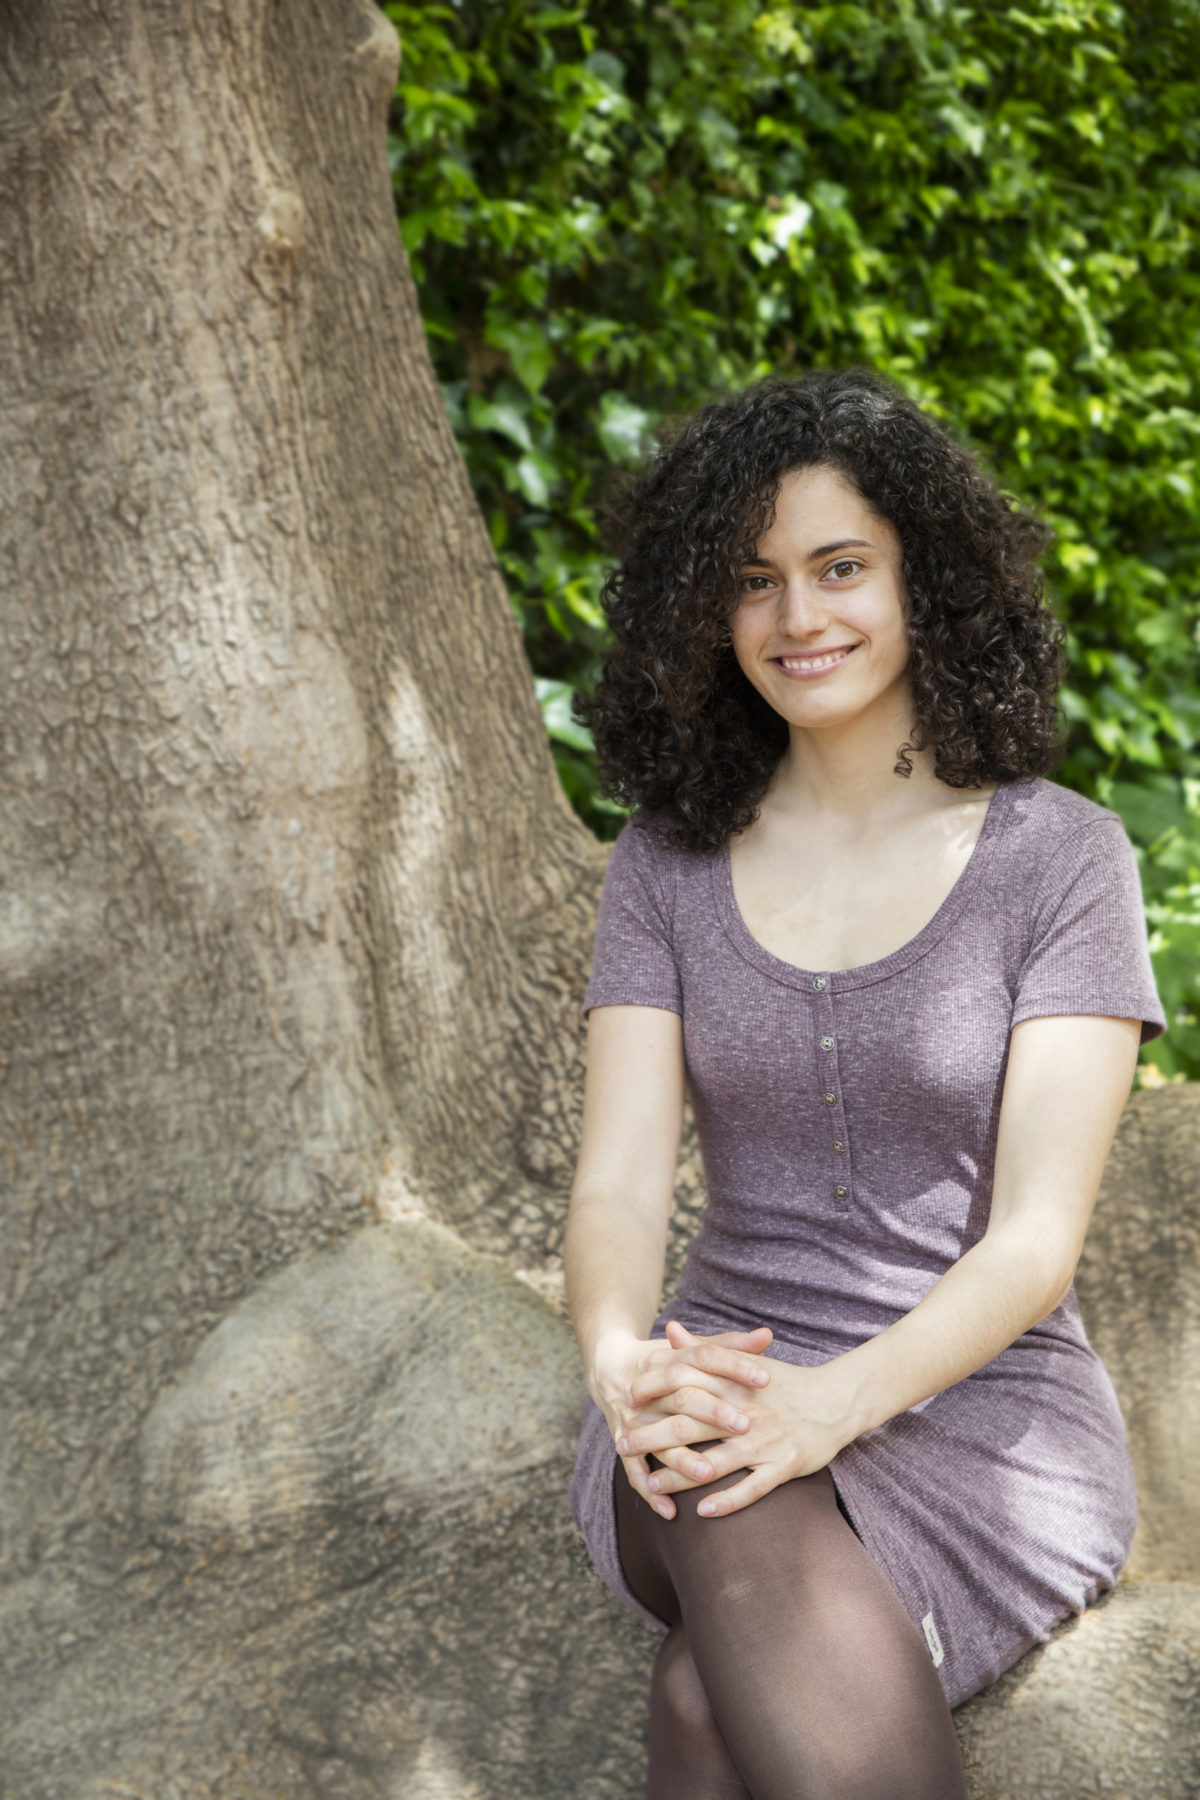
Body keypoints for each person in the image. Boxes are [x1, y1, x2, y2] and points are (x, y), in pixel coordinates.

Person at [562, 368, 1166, 1800]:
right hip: (715, 1390)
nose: (799, 619)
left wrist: (827, 1411)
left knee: (713, 1702)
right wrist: (623, 1364)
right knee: (716, 1467)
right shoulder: (665, 864)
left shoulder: (1060, 861)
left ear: (926, 582)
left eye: (842, 569)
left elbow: (1032, 1245)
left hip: (977, 1416)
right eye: (753, 582)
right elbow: (617, 1179)